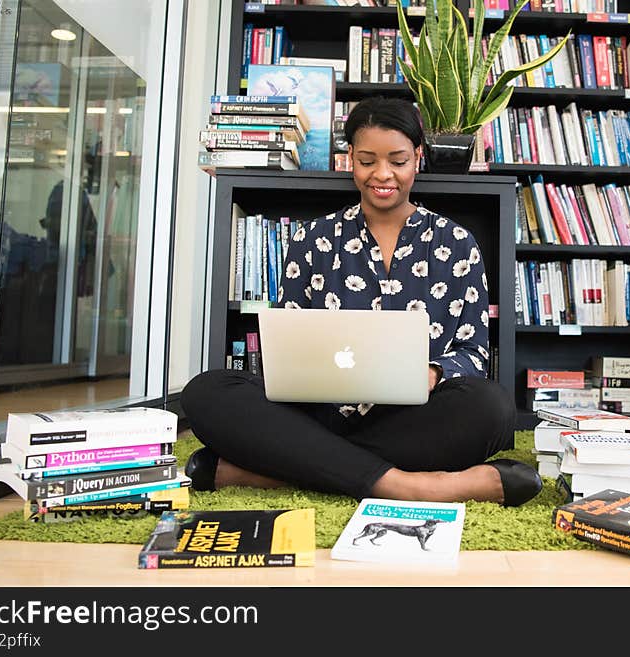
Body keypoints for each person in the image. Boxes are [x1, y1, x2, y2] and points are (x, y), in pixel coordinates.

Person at [181, 96, 542, 507]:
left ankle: (278, 471)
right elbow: (288, 344)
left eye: (398, 160)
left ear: (418, 158)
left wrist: (431, 372)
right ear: (349, 157)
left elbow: (474, 352)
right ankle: (415, 486)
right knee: (205, 393)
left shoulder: (457, 243)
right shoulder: (311, 240)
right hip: (316, 414)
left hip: (412, 418)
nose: (382, 174)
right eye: (368, 160)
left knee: (492, 407)